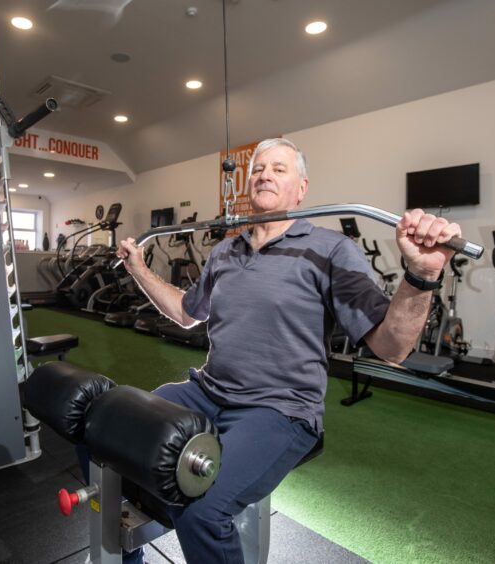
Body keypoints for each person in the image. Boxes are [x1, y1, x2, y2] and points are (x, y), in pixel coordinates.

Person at [115, 137, 461, 564]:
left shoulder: (331, 250)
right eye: (258, 168)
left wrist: (422, 274)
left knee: (203, 509)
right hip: (207, 391)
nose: (264, 174)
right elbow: (186, 314)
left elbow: (392, 346)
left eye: (279, 169)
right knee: (112, 431)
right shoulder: (225, 250)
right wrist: (139, 268)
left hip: (279, 410)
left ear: (302, 189)